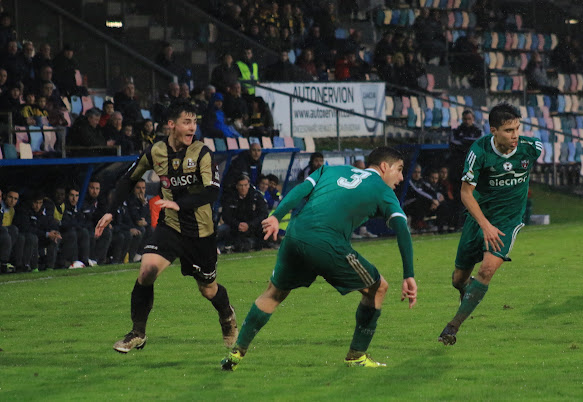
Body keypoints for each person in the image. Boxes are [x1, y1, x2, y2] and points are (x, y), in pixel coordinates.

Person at [220, 146, 417, 371]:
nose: (401, 177)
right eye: (399, 170)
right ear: (384, 167)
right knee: (378, 288)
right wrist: (409, 274)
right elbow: (402, 227)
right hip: (326, 243)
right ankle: (356, 356)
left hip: (295, 235)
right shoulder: (382, 190)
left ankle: (238, 351)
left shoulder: (330, 170)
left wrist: (276, 217)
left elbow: (300, 190)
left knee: (273, 294)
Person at [94, 102, 238, 353]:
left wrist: (179, 204)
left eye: (194, 122)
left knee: (207, 289)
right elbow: (128, 179)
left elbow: (212, 191)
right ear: (171, 125)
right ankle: (137, 332)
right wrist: (110, 211)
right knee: (147, 270)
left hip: (201, 233)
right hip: (170, 227)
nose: (192, 127)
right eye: (186, 122)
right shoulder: (155, 152)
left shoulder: (202, 152)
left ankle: (227, 316)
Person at [438, 103, 542, 345]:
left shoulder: (531, 148)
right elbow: (465, 193)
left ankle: (453, 326)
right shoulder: (479, 151)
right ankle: (467, 292)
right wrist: (484, 224)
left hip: (508, 220)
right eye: (508, 130)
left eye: (517, 128)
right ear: (493, 130)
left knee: (485, 270)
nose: (515, 135)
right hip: (479, 218)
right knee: (457, 279)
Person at [219, 175, 269, 252]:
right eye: (241, 185)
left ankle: (258, 244)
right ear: (237, 186)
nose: (243, 188)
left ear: (249, 185)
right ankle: (220, 246)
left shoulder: (256, 196)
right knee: (221, 230)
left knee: (266, 228)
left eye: (245, 185)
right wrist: (237, 224)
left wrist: (250, 225)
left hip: (253, 226)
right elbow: (226, 215)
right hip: (235, 227)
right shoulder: (230, 197)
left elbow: (264, 214)